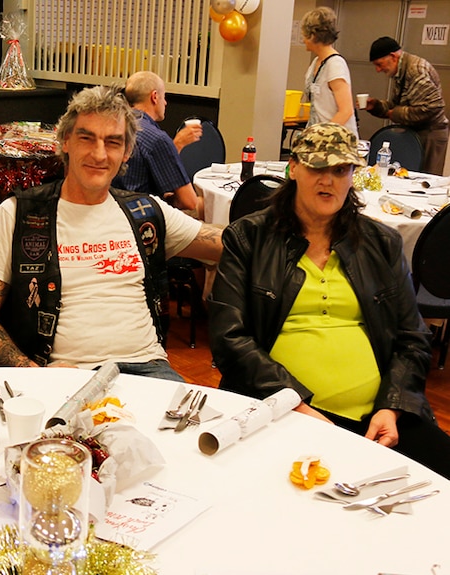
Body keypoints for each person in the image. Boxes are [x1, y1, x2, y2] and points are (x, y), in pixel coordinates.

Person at [208, 122, 450, 478]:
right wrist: (295, 404)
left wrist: (393, 406)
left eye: (340, 169)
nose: (328, 180)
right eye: (317, 168)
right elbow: (229, 338)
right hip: (282, 407)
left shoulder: (381, 243)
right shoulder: (250, 238)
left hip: (379, 416)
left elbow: (412, 338)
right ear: (294, 169)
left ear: (354, 174)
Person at [0, 86, 222, 379]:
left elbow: (228, 244)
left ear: (126, 152)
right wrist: (31, 372)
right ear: (65, 142)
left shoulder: (145, 212)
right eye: (87, 138)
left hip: (148, 369)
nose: (99, 154)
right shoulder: (17, 215)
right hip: (61, 374)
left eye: (113, 142)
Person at [112, 71, 203, 218]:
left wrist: (176, 145)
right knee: (205, 206)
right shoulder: (156, 138)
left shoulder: (116, 124)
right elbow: (189, 202)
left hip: (113, 208)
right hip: (142, 217)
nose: (166, 103)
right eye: (164, 97)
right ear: (154, 97)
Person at [366, 36, 449, 175]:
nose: (378, 70)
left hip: (430, 134)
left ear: (393, 57)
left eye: (379, 64)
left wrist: (395, 114)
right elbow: (395, 105)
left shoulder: (415, 70)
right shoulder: (400, 71)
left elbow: (433, 108)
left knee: (424, 182)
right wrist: (376, 106)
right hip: (416, 132)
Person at [301, 7, 357, 136]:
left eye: (304, 35)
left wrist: (321, 135)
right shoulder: (316, 62)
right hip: (318, 136)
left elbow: (345, 111)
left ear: (313, 35)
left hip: (337, 141)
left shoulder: (335, 65)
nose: (303, 40)